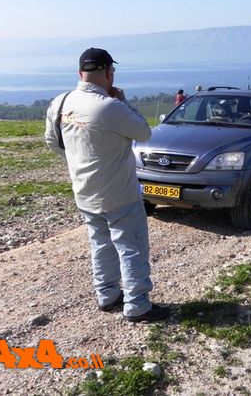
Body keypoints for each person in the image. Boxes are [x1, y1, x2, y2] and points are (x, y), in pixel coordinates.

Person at [44, 48, 167, 323]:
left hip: (84, 191)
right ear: (110, 73)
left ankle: (107, 295)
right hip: (119, 194)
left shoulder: (61, 103)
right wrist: (124, 102)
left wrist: (79, 160)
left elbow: (53, 141)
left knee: (100, 244)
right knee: (131, 247)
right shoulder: (111, 107)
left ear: (80, 73)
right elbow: (144, 132)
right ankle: (137, 305)